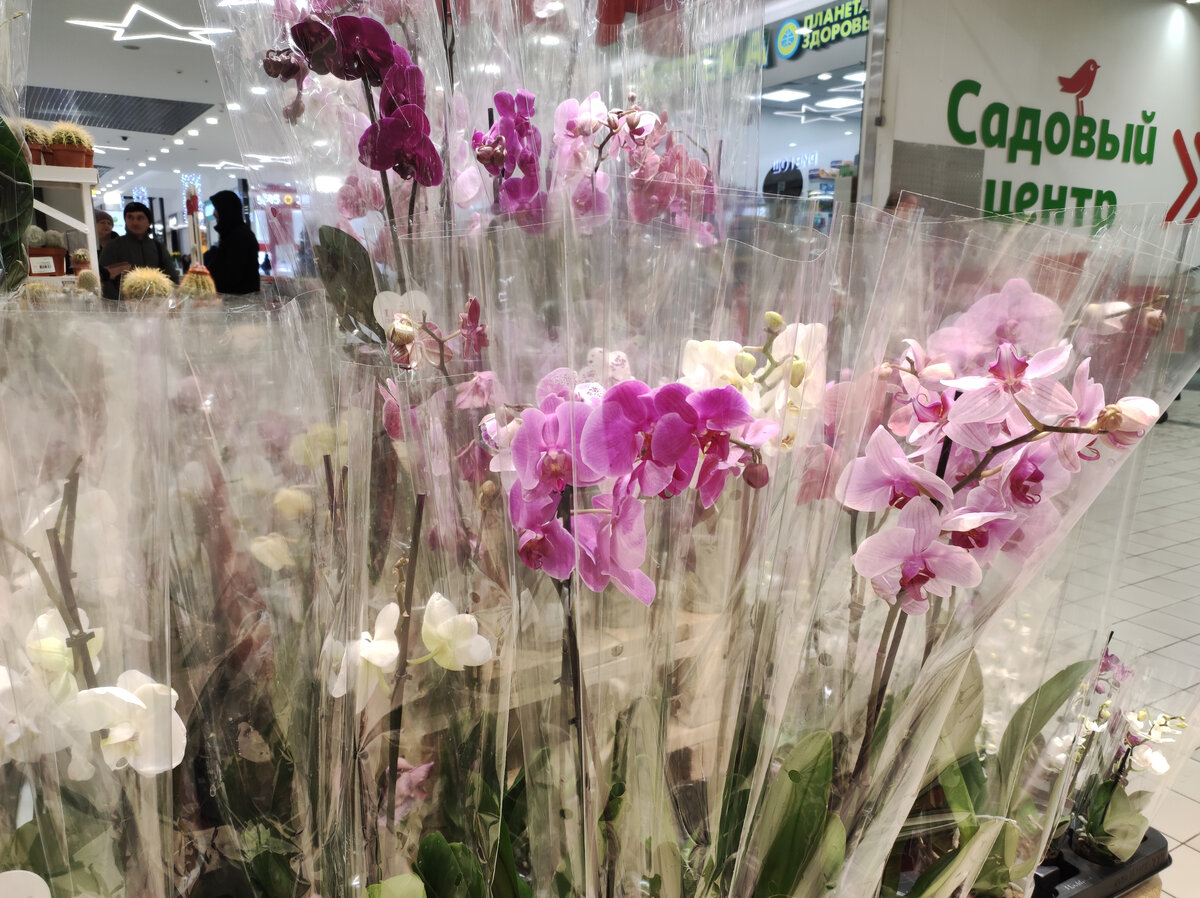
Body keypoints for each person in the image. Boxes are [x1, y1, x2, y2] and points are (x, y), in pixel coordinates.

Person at [98, 202, 179, 300]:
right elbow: (103, 280)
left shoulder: (158, 247)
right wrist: (120, 303)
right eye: (130, 217)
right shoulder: (113, 246)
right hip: (122, 307)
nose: (135, 222)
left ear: (148, 222)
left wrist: (168, 300)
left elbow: (171, 277)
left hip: (156, 305)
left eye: (140, 218)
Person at [203, 190, 260, 295]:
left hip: (239, 302)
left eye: (216, 208)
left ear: (226, 210)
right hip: (236, 300)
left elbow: (228, 276)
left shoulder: (239, 237)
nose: (214, 213)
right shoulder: (232, 234)